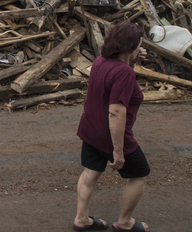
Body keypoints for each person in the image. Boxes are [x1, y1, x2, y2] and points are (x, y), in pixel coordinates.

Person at [73, 22, 150, 232]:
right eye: (139, 45)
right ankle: (125, 222)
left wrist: (133, 61)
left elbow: (115, 80)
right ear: (130, 46)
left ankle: (82, 219)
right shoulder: (124, 73)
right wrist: (118, 150)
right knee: (139, 175)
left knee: (90, 172)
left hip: (90, 129)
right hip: (111, 135)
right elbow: (116, 111)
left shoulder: (100, 61)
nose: (140, 48)